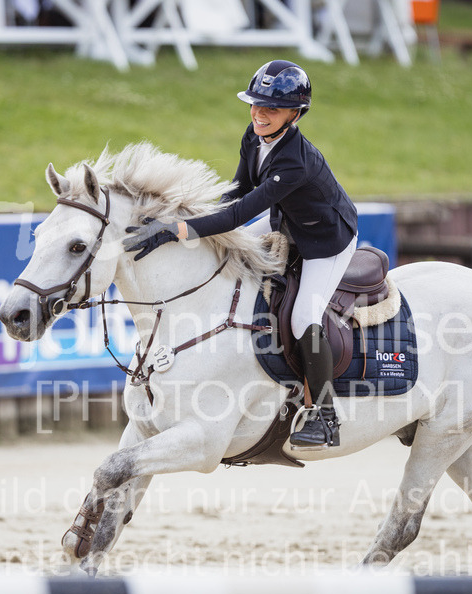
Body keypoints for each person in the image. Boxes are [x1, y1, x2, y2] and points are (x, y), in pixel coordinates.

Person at [123, 60, 358, 449]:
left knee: (303, 316)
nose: (259, 114)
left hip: (325, 240)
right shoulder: (254, 135)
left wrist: (176, 232)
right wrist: (190, 220)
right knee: (225, 256)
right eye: (255, 104)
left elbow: (238, 214)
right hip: (285, 222)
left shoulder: (294, 161)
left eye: (272, 108)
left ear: (295, 114)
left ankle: (326, 416)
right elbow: (235, 193)